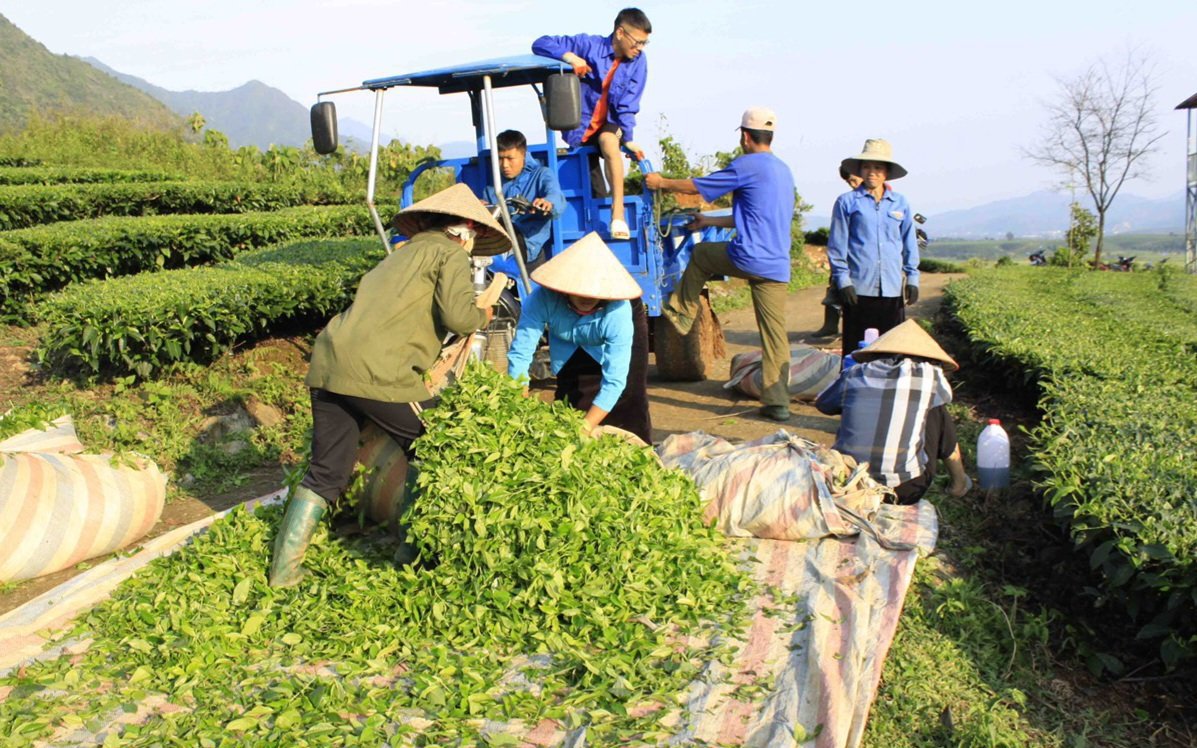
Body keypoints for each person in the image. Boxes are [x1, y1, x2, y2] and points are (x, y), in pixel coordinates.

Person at [269, 183, 509, 588]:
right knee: (434, 447)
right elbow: (458, 318)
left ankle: (284, 572)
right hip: (379, 371)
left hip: (330, 363)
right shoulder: (449, 253)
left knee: (326, 471)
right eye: (471, 233)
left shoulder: (401, 254)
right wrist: (482, 315)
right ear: (463, 228)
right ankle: (411, 554)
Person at [644, 107, 797, 423]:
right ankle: (778, 402)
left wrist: (660, 182)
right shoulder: (782, 170)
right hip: (777, 264)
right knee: (774, 335)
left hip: (749, 256)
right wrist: (709, 221)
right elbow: (752, 215)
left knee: (701, 256)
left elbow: (697, 186)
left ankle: (681, 312)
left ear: (744, 136)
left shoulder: (747, 164)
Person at [506, 232, 652, 443]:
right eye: (580, 291)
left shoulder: (617, 311)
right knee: (572, 402)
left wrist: (584, 429)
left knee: (628, 397)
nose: (587, 298)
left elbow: (615, 381)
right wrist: (519, 403)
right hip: (567, 339)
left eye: (594, 293)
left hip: (610, 336)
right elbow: (520, 355)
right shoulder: (541, 300)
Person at [814, 319, 972, 504]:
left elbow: (823, 404)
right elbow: (946, 397)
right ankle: (959, 482)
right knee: (935, 410)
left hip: (848, 483)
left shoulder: (855, 373)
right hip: (904, 490)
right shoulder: (931, 376)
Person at [532, 8, 651, 241]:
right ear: (620, 33)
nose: (640, 48)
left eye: (645, 43)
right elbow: (540, 43)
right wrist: (570, 57)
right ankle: (595, 234)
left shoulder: (639, 62)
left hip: (611, 124)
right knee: (595, 192)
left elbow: (628, 103)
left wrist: (628, 139)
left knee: (609, 141)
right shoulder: (589, 45)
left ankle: (619, 215)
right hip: (581, 131)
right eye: (637, 42)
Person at [826, 139, 920, 359]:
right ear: (860, 169)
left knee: (891, 351)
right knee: (856, 351)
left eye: (878, 167)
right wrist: (843, 281)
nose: (872, 173)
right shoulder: (847, 202)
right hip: (858, 289)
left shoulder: (900, 203)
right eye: (867, 167)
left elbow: (909, 242)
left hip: (892, 289)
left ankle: (886, 391)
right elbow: (837, 246)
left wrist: (913, 278)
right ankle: (852, 390)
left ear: (886, 173)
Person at [481, 129, 565, 272]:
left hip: (528, 250)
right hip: (498, 247)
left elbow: (556, 196)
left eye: (510, 158)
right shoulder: (492, 188)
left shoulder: (541, 175)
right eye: (500, 159)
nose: (505, 165)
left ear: (524, 155)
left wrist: (547, 203)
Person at [812, 162, 864, 339]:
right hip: (847, 256)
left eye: (853, 180)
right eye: (849, 182)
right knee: (837, 288)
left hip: (863, 259)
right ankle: (830, 325)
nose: (852, 185)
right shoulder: (848, 201)